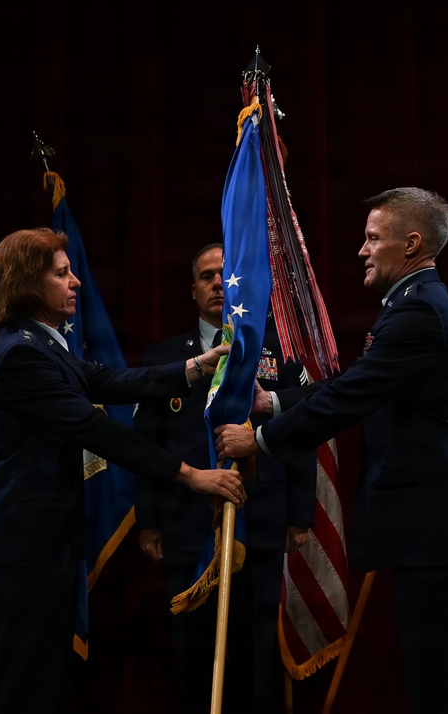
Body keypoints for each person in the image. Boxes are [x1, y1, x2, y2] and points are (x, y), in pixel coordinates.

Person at [214, 188, 448, 713]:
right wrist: (273, 402)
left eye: (373, 238)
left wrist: (258, 440)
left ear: (410, 244)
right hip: (440, 532)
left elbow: (350, 396)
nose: (362, 249)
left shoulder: (419, 313)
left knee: (442, 690)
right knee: (438, 685)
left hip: (439, 533)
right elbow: (357, 383)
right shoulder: (414, 305)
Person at [0, 227, 245, 714]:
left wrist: (193, 369)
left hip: (49, 542)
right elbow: (97, 430)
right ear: (29, 284)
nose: (75, 281)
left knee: (46, 684)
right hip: (26, 548)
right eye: (62, 273)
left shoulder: (46, 345)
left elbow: (108, 380)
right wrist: (189, 474)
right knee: (23, 686)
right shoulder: (21, 354)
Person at [132, 242, 316, 714]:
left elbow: (301, 432)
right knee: (192, 651)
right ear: (192, 290)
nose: (218, 283)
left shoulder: (278, 351)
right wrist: (148, 519)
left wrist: (299, 513)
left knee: (257, 650)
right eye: (206, 276)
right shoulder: (164, 358)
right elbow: (147, 444)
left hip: (261, 518)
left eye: (225, 274)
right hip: (187, 523)